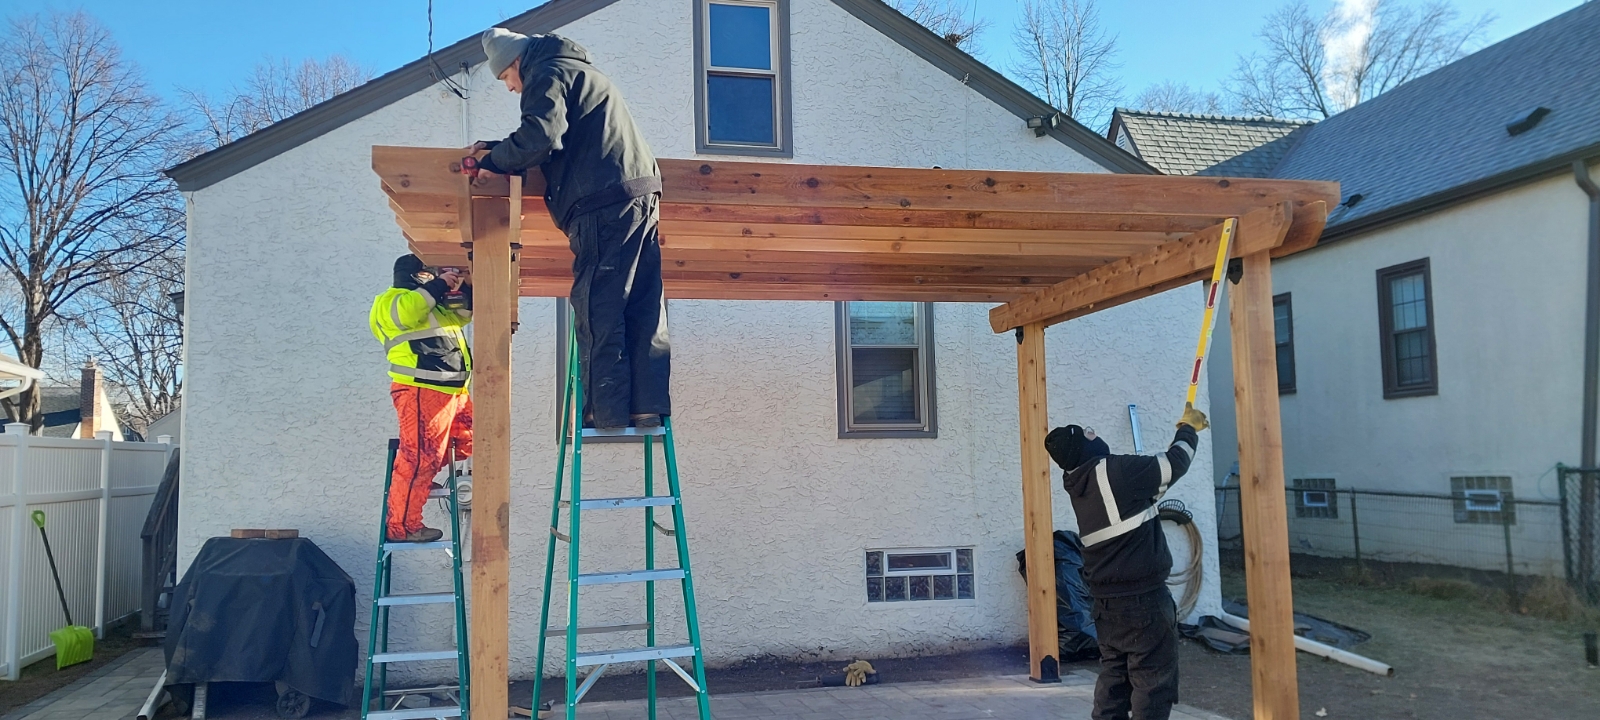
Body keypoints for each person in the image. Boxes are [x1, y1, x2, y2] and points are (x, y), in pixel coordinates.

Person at [469, 27, 670, 430]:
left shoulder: (547, 71)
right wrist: (501, 149)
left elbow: (540, 136)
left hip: (603, 201)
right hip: (641, 193)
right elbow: (557, 138)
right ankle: (645, 408)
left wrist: (490, 162)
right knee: (643, 303)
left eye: (506, 79)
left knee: (599, 302)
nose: (509, 88)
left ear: (516, 63)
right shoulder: (583, 74)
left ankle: (606, 411)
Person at [1045, 403, 1210, 720]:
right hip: (1143, 603)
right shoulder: (1116, 471)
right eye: (1089, 433)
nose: (1096, 434)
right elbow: (1175, 463)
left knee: (1115, 679)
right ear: (1083, 446)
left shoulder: (1080, 483)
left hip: (1107, 607)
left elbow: (1143, 496)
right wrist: (1188, 428)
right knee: (1153, 683)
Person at [370, 255, 474, 543]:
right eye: (428, 274)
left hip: (451, 391)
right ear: (415, 275)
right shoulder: (392, 300)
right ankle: (403, 527)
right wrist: (440, 284)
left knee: (470, 439)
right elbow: (408, 312)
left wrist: (463, 287)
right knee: (418, 458)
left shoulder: (433, 306)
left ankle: (421, 482)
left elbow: (463, 314)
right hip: (421, 390)